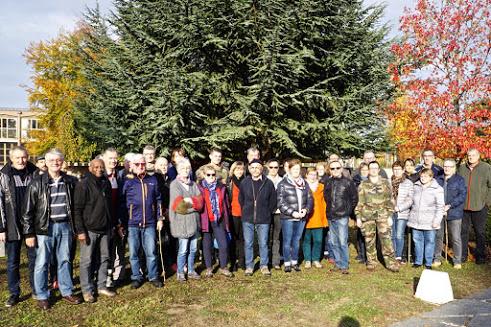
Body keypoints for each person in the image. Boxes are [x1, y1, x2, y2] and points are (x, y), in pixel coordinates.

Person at [22, 149, 81, 310]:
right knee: (42, 262)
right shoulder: (37, 183)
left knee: (65, 260)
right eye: (52, 160)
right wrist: (29, 233)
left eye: (59, 160)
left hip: (65, 227)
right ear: (46, 163)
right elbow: (27, 210)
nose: (56, 163)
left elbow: (76, 207)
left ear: (62, 162)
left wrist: (77, 228)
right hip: (44, 229)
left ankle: (66, 291)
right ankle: (42, 295)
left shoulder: (70, 181)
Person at [0, 146, 38, 307]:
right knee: (12, 262)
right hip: (12, 225)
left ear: (28, 157)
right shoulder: (3, 175)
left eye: (23, 157)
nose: (21, 161)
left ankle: (37, 289)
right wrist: (1, 228)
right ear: (11, 158)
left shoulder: (35, 173)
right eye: (17, 158)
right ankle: (14, 293)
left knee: (35, 260)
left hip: (32, 225)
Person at [74, 159, 116, 303]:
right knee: (87, 261)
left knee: (105, 258)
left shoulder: (106, 182)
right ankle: (87, 290)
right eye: (96, 167)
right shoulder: (83, 184)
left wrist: (112, 225)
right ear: (90, 168)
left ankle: (102, 285)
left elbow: (110, 205)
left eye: (101, 167)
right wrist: (80, 231)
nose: (99, 169)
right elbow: (77, 210)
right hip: (89, 229)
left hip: (105, 228)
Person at [120, 154, 164, 289]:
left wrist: (160, 218)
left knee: (151, 252)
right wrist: (122, 222)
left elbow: (158, 200)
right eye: (138, 164)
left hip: (150, 222)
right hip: (133, 223)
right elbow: (122, 203)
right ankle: (136, 277)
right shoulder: (127, 182)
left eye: (143, 164)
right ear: (132, 166)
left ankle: (153, 276)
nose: (141, 166)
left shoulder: (153, 180)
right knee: (133, 253)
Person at [356, 161, 400, 272]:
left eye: (376, 168)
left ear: (379, 169)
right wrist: (358, 217)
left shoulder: (385, 183)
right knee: (369, 240)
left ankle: (391, 263)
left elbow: (390, 201)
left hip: (383, 215)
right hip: (367, 216)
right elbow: (360, 202)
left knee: (386, 240)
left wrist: (390, 215)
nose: (374, 170)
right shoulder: (363, 184)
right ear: (368, 170)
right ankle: (371, 262)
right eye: (371, 168)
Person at [239, 159, 277, 276]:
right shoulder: (244, 182)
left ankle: (264, 265)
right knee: (248, 243)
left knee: (263, 243)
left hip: (264, 218)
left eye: (258, 167)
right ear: (249, 169)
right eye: (253, 167)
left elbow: (273, 201)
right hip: (248, 218)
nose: (255, 170)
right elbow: (241, 199)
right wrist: (246, 209)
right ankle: (249, 266)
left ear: (261, 169)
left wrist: (266, 212)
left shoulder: (268, 183)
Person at [169, 158, 203, 282]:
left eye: (187, 168)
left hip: (194, 223)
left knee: (193, 249)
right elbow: (178, 207)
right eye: (183, 168)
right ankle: (180, 272)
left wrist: (188, 202)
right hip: (181, 223)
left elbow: (200, 203)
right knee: (183, 250)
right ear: (178, 170)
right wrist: (192, 204)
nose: (185, 170)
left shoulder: (193, 184)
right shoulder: (175, 185)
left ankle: (191, 270)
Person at [277, 159, 313, 272]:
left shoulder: (304, 183)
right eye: (294, 169)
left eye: (298, 169)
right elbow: (280, 203)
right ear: (290, 169)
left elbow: (310, 200)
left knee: (296, 240)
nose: (296, 171)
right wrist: (293, 212)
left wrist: (305, 210)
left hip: (301, 217)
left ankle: (294, 262)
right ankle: (287, 263)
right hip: (288, 217)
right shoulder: (283, 183)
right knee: (287, 241)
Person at [323, 160, 358, 274]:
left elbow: (354, 199)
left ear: (342, 168)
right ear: (330, 170)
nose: (335, 170)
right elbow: (326, 198)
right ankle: (337, 263)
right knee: (333, 241)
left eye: (337, 168)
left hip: (342, 216)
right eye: (332, 169)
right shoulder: (327, 182)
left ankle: (344, 265)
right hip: (331, 215)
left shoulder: (348, 182)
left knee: (342, 241)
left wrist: (347, 211)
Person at [198, 164, 233, 277]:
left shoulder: (221, 187)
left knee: (223, 244)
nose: (211, 177)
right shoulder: (199, 187)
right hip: (205, 220)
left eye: (213, 175)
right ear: (204, 175)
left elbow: (226, 203)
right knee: (207, 245)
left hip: (219, 220)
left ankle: (223, 266)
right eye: (208, 175)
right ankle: (209, 267)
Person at [458, 148, 491, 264]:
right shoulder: (462, 168)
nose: (470, 157)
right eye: (469, 155)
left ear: (478, 156)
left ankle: (480, 256)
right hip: (463, 206)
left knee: (480, 232)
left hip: (480, 206)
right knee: (463, 231)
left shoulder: (486, 167)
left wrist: (487, 202)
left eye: (473, 155)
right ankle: (463, 256)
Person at [407, 168, 445, 269]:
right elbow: (410, 200)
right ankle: (418, 261)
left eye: (425, 176)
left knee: (430, 241)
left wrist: (437, 221)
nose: (423, 178)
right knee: (417, 241)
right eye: (421, 176)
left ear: (431, 177)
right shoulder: (416, 186)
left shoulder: (437, 189)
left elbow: (440, 206)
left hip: (430, 221)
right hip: (416, 220)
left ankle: (428, 262)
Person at [433, 159, 466, 269]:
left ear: (454, 168)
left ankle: (457, 260)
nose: (447, 168)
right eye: (445, 166)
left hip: (454, 212)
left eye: (449, 166)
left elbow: (462, 196)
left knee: (455, 237)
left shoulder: (459, 180)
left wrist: (450, 205)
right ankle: (437, 258)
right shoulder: (438, 179)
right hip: (439, 212)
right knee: (438, 235)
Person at [102, 148, 126, 288]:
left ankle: (118, 276)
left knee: (119, 249)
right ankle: (104, 277)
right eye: (110, 158)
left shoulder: (119, 176)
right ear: (104, 158)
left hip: (118, 219)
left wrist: (120, 221)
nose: (113, 161)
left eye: (115, 158)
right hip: (104, 220)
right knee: (106, 252)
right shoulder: (101, 176)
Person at [303, 168, 327, 269]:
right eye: (310, 174)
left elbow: (325, 203)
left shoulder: (322, 187)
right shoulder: (302, 186)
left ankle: (316, 259)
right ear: (306, 176)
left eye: (314, 175)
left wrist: (325, 218)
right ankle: (308, 259)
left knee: (318, 240)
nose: (312, 177)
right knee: (307, 240)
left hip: (318, 217)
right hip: (307, 217)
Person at [391, 161, 414, 263]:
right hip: (390, 212)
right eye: (395, 169)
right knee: (391, 234)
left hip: (402, 212)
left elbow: (410, 200)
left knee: (399, 234)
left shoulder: (408, 183)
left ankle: (398, 256)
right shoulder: (388, 182)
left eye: (398, 169)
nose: (396, 171)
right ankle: (392, 254)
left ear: (403, 170)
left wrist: (399, 208)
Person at [227, 161, 245, 271]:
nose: (239, 171)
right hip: (233, 214)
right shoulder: (229, 182)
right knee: (233, 239)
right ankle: (232, 262)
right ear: (233, 170)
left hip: (244, 214)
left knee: (243, 239)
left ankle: (242, 262)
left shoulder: (246, 181)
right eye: (237, 169)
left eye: (241, 169)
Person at [266, 158, 283, 270]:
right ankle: (266, 261)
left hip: (279, 213)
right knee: (266, 237)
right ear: (268, 168)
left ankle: (275, 261)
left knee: (277, 237)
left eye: (275, 167)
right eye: (271, 167)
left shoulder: (282, 181)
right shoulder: (264, 180)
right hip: (266, 213)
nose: (273, 169)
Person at [352, 162, 369, 264]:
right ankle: (361, 254)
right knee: (360, 233)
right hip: (359, 209)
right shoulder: (355, 180)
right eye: (362, 170)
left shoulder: (372, 180)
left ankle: (368, 255)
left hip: (370, 211)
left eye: (366, 170)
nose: (364, 172)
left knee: (369, 234)